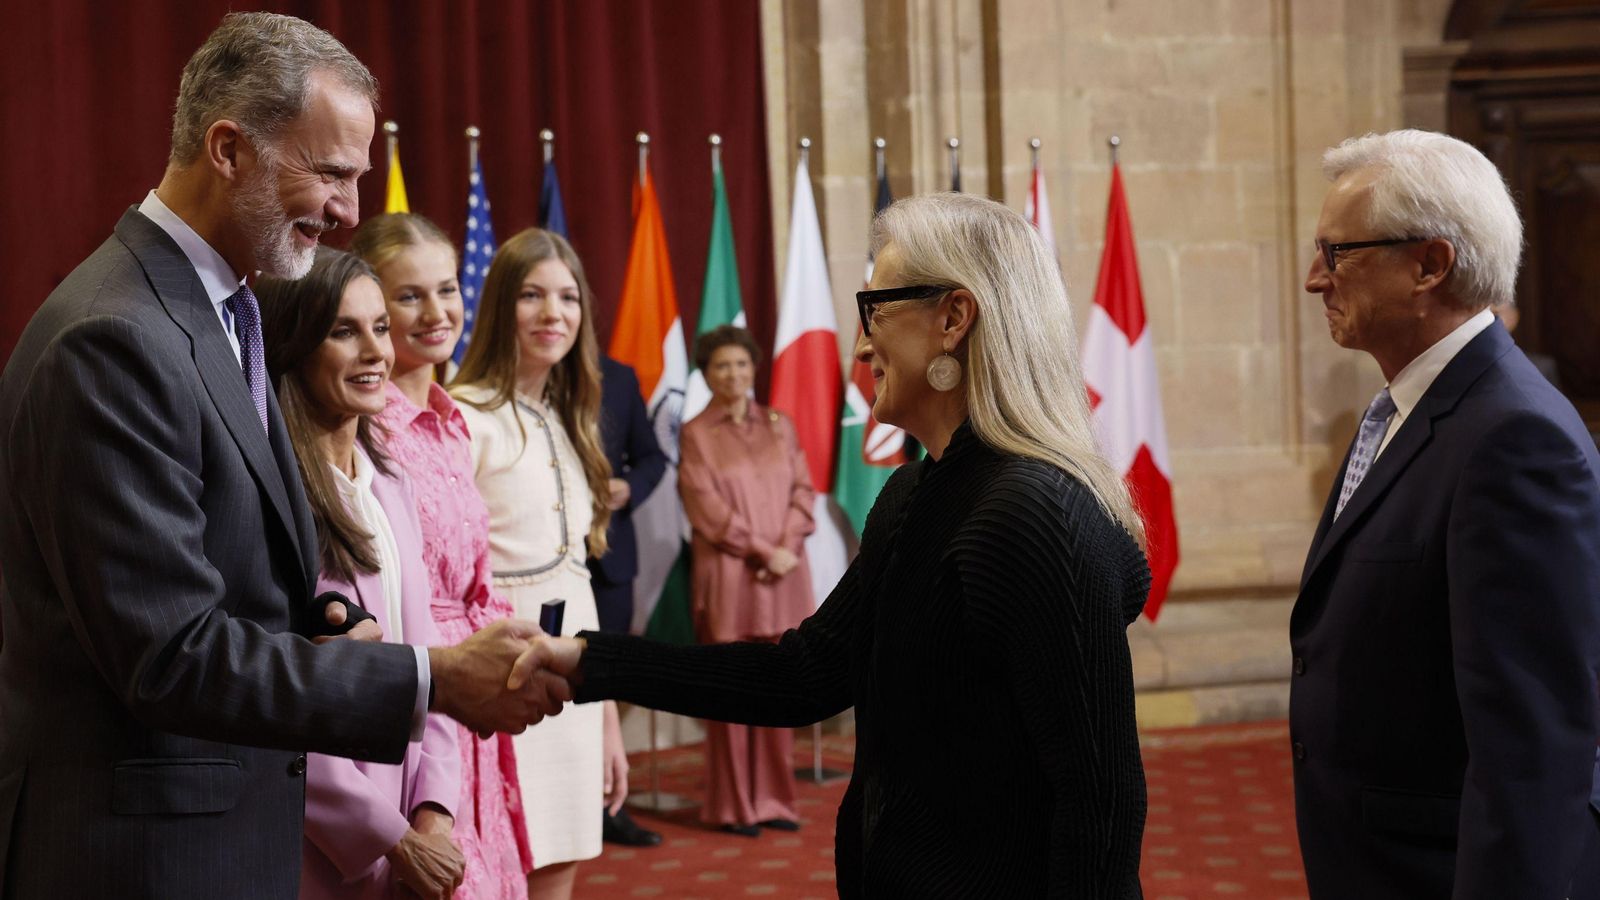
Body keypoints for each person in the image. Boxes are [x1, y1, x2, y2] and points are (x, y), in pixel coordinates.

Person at [0, 14, 568, 898]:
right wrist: (430, 677)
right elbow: (169, 653)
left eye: (356, 178)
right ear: (228, 149)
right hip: (145, 860)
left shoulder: (226, 309)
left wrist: (323, 622)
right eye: (332, 173)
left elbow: (227, 571)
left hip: (224, 840)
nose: (349, 211)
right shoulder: (113, 337)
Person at [535, 193, 1152, 896]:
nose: (859, 347)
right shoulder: (911, 493)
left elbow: (1101, 804)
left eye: (874, 311)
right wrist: (588, 662)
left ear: (953, 318)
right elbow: (805, 676)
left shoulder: (1034, 512)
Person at [1290, 129, 1600, 898]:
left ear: (1429, 265)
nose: (1314, 279)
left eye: (1336, 253)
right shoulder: (1412, 407)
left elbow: (1531, 749)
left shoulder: (1514, 439)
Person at [256, 248, 464, 900]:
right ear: (293, 345)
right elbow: (274, 704)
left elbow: (426, 660)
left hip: (408, 834)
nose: (377, 350)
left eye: (379, 327)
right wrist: (389, 838)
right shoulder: (268, 501)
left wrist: (433, 813)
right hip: (312, 850)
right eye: (344, 331)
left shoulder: (392, 482)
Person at [353, 212, 535, 895]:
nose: (437, 313)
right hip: (414, 693)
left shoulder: (453, 421)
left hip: (478, 691)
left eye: (448, 289)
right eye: (410, 296)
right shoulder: (360, 428)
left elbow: (474, 577)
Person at [451, 228, 630, 900]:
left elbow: (579, 579)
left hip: (571, 686)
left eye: (568, 297)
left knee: (563, 859)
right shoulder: (465, 416)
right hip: (496, 680)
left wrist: (605, 715)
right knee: (493, 872)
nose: (553, 313)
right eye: (532, 295)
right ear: (501, 305)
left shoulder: (569, 420)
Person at [678, 324, 815, 837]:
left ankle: (775, 800)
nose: (733, 374)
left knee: (778, 688)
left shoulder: (781, 424)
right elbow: (706, 509)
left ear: (753, 367)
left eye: (740, 364)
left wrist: (788, 547)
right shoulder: (695, 433)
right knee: (732, 691)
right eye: (721, 366)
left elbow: (803, 491)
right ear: (706, 374)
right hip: (731, 579)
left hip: (784, 576)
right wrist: (763, 550)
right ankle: (734, 807)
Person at [589, 353, 667, 848]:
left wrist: (629, 487)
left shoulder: (618, 376)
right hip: (537, 562)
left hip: (611, 560)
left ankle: (608, 805)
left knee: (606, 681)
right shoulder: (519, 370)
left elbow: (652, 457)